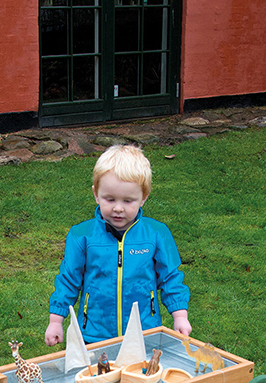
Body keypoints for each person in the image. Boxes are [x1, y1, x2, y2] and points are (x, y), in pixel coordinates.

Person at [45, 144, 191, 347]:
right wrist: (56, 320)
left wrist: (180, 316)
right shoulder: (81, 236)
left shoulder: (157, 234)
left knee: (140, 378)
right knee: (97, 378)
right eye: (109, 199)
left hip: (144, 333)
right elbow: (68, 280)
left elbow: (171, 279)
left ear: (144, 197)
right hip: (93, 335)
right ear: (96, 194)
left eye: (128, 200)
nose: (118, 208)